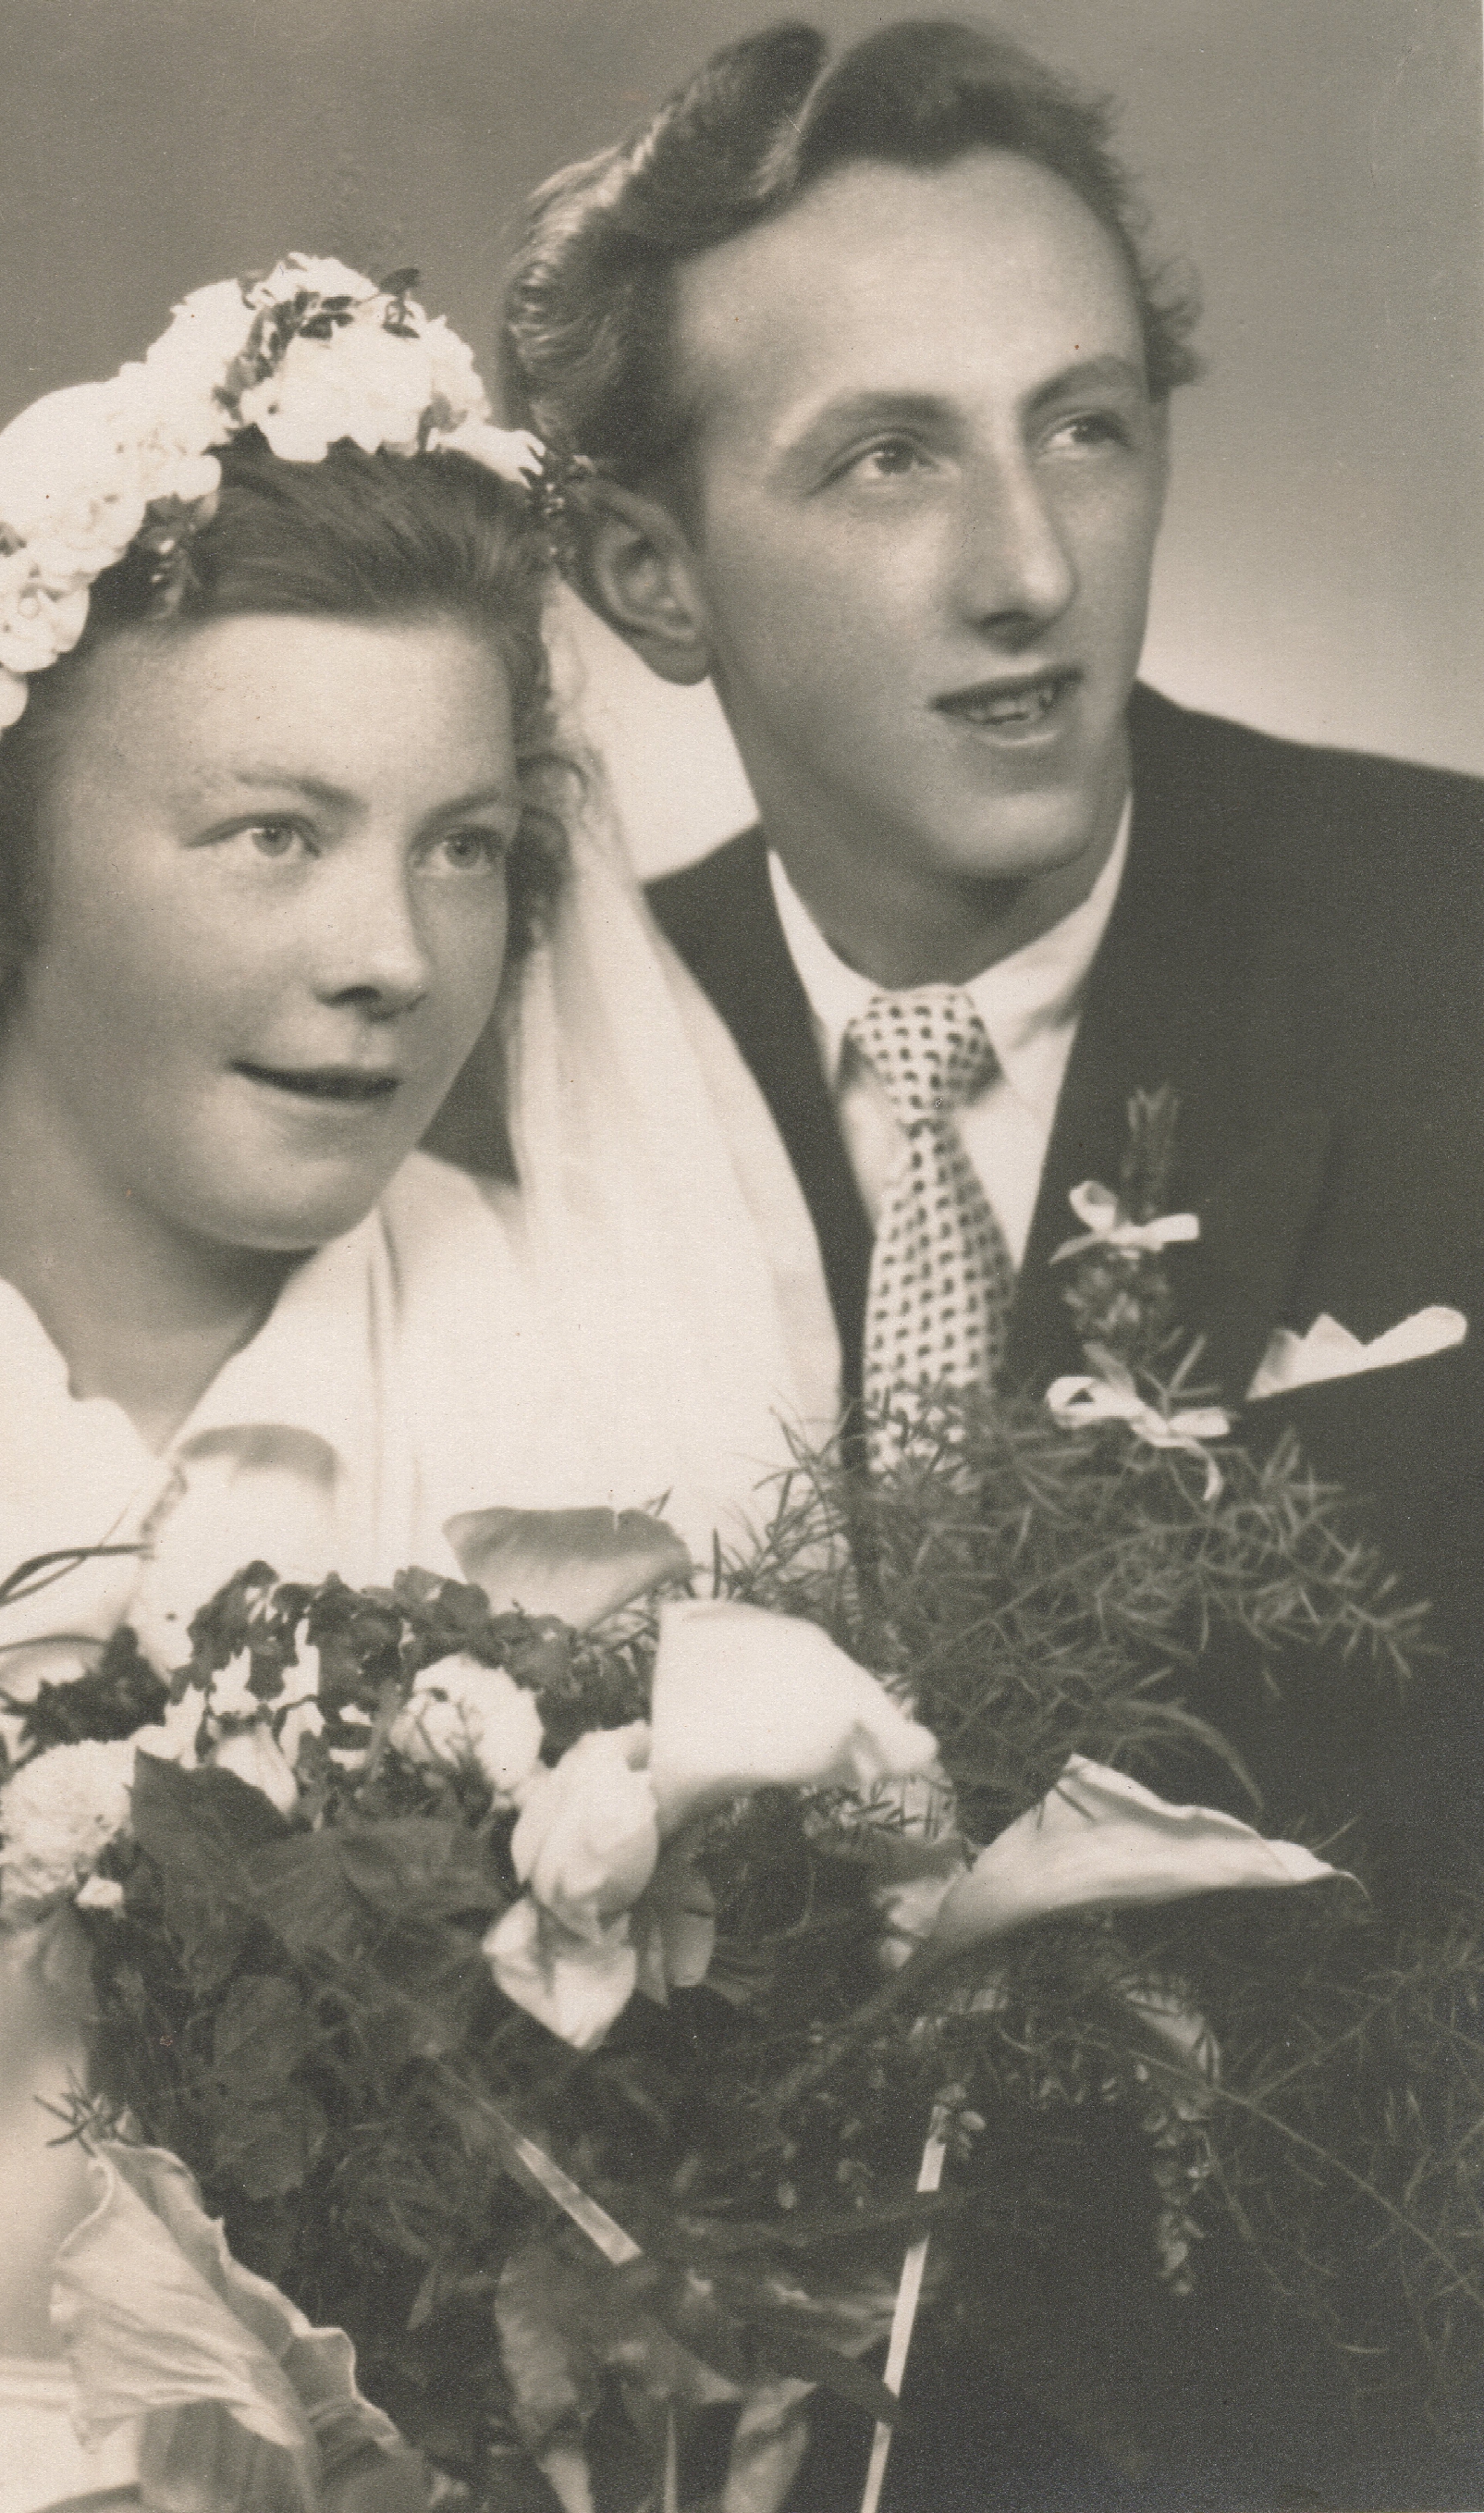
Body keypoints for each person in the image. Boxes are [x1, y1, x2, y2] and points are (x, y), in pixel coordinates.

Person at [0, 256, 837, 2510]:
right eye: (272, 835)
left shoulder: (604, 1389)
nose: (391, 959)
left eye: (462, 849)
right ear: (7, 864)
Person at [500, 19, 1484, 2507]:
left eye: (1083, 425)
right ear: (646, 573)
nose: (1028, 568)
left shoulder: (1448, 948)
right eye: (886, 457)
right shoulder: (534, 1094)